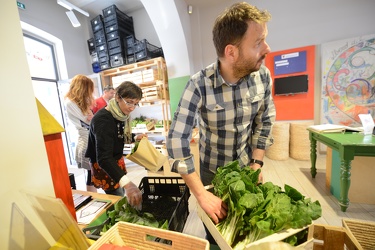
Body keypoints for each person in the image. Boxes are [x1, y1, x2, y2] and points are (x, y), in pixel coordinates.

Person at [166, 1, 276, 242]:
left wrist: (257, 164)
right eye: (258, 42)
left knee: (245, 231)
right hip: (211, 174)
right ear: (231, 52)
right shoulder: (198, 84)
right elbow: (177, 141)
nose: (267, 48)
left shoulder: (262, 76)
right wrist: (200, 194)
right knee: (217, 234)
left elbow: (265, 121)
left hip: (248, 167)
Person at [85, 81, 147, 209]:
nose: (132, 108)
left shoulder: (120, 115)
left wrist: (134, 137)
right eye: (129, 102)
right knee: (117, 198)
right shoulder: (103, 120)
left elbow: (117, 135)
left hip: (115, 160)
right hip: (106, 165)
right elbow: (103, 158)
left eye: (136, 104)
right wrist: (127, 184)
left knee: (120, 193)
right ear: (118, 97)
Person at [64, 74, 96, 192]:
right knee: (91, 174)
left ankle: (95, 200)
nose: (90, 93)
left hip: (90, 138)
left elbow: (90, 118)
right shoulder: (70, 103)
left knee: (93, 174)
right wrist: (92, 117)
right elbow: (88, 119)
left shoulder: (80, 102)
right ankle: (94, 200)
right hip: (86, 140)